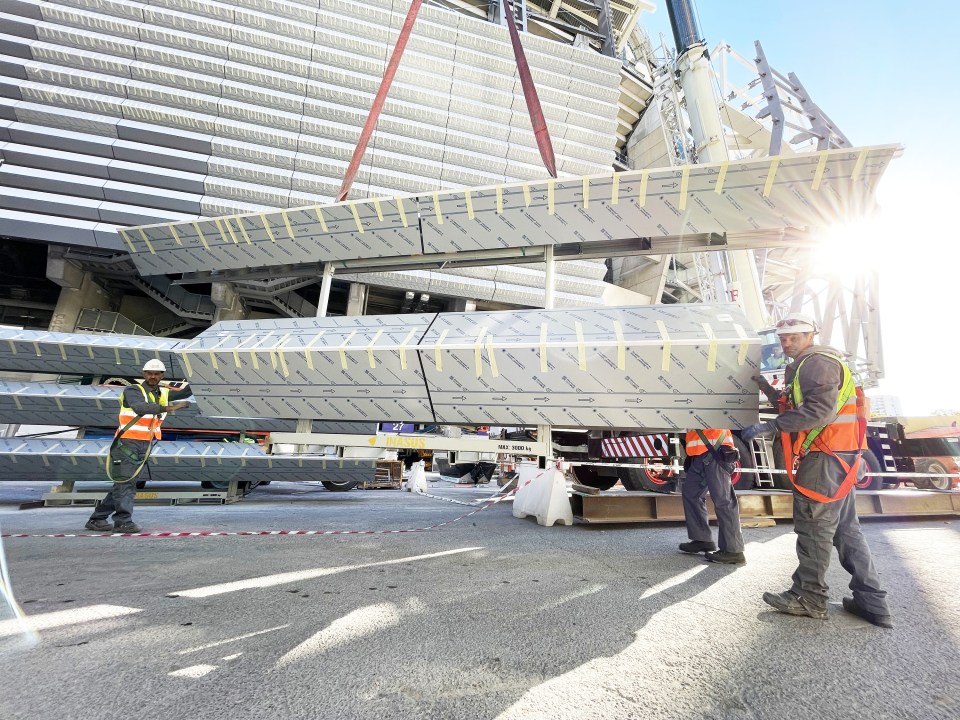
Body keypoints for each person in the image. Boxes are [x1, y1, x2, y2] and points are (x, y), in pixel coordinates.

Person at [742, 313, 893, 628]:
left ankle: (809, 597)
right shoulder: (805, 365)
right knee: (845, 530)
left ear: (810, 335)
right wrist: (761, 386)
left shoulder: (816, 363)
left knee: (814, 527)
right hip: (838, 457)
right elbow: (792, 404)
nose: (786, 342)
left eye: (793, 337)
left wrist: (768, 427)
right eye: (783, 338)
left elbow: (818, 411)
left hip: (824, 458)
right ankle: (871, 600)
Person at [85, 359, 191, 534]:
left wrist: (199, 378)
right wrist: (174, 408)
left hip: (144, 443)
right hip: (127, 443)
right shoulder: (133, 390)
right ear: (144, 374)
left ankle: (97, 519)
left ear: (162, 376)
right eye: (149, 373)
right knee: (126, 484)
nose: (153, 376)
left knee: (125, 482)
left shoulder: (161, 393)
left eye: (156, 374)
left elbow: (185, 392)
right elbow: (141, 407)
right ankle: (123, 522)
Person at [679, 429, 746, 564]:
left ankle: (734, 551)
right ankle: (702, 539)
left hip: (716, 450)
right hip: (699, 454)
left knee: (723, 501)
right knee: (691, 494)